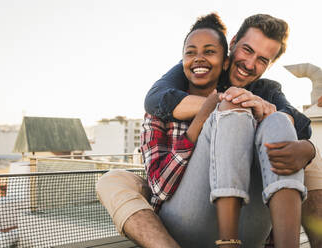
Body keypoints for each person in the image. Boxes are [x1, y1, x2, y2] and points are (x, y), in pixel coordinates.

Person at [96, 13, 313, 248]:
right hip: (186, 215)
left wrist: (309, 148)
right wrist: (212, 110)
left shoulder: (265, 91)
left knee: (281, 122)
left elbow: (300, 123)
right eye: (247, 50)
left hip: (250, 219)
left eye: (262, 59)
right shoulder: (170, 92)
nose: (250, 64)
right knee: (111, 180)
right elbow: (159, 186)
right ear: (231, 50)